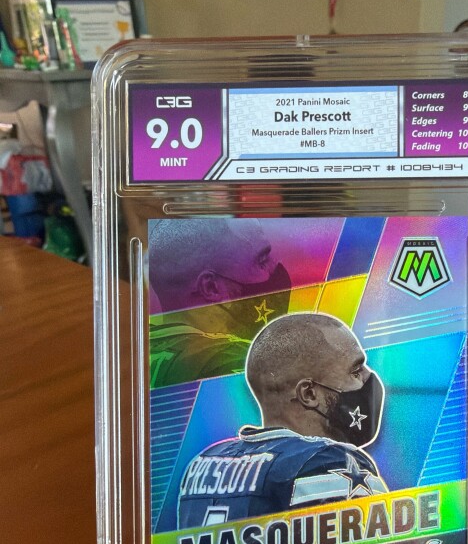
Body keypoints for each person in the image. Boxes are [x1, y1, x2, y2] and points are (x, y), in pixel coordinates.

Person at [178, 312, 388, 528]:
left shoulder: (202, 464)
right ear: (309, 394)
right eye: (356, 371)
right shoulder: (329, 461)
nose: (369, 377)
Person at [148, 218, 291, 388]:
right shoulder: (232, 363)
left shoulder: (136, 350)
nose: (275, 266)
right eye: (262, 260)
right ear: (211, 287)